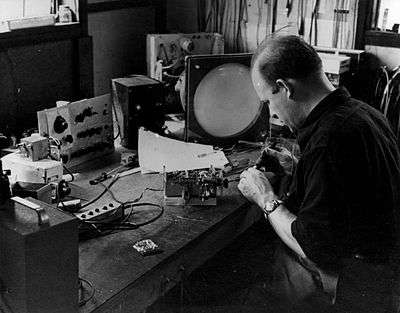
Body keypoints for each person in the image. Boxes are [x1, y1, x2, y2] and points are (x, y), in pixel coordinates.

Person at [238, 35, 400, 313]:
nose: (271, 112)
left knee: (244, 294)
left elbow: (313, 246)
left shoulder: (329, 140)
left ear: (284, 88)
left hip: (357, 284)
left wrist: (264, 197)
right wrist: (298, 169)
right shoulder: (366, 114)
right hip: (385, 272)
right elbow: (350, 191)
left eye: (267, 101)